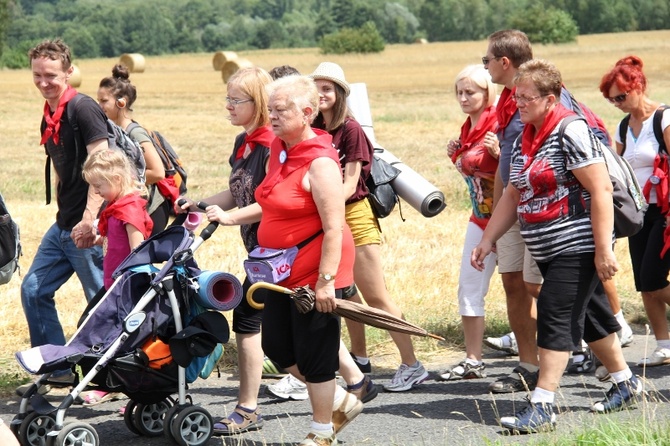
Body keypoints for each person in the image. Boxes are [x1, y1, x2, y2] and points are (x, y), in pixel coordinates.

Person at [472, 59, 641, 434]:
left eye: (527, 98)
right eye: (517, 98)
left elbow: (599, 189)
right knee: (593, 317)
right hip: (548, 246)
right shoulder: (523, 138)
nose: (519, 104)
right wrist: (488, 239)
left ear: (551, 99)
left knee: (554, 311)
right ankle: (626, 382)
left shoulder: (570, 130)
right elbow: (514, 193)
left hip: (577, 244)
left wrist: (603, 250)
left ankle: (543, 404)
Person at [309, 61, 429, 391]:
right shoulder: (315, 128)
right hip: (329, 218)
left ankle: (412, 364)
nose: (321, 93)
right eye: (316, 86)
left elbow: (350, 183)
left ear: (340, 93)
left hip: (353, 216)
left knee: (376, 296)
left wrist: (326, 207)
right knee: (345, 294)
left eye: (327, 87)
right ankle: (359, 359)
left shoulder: (350, 130)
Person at [255, 74, 361, 445]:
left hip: (316, 272)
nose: (272, 116)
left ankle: (321, 432)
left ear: (307, 112)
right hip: (279, 271)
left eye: (280, 110)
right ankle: (338, 400)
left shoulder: (321, 163)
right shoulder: (277, 148)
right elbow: (271, 200)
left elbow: (335, 228)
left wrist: (326, 281)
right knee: (277, 347)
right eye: (271, 109)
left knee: (315, 352)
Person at [178, 66, 276, 434]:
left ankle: (247, 408)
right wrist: (199, 204)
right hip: (259, 250)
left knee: (249, 323)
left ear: (260, 102)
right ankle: (356, 383)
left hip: (277, 251)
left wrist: (230, 217)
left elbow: (272, 201)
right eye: (228, 99)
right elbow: (237, 191)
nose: (229, 106)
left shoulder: (272, 147)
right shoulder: (244, 143)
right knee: (298, 325)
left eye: (236, 100)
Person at [18, 39, 106, 396]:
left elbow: (101, 166)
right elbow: (60, 164)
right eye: (37, 75)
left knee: (102, 301)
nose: (43, 81)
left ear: (69, 72)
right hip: (64, 222)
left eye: (51, 75)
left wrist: (90, 218)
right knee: (34, 290)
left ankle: (108, 376)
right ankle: (57, 370)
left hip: (87, 224)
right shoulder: (49, 109)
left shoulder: (82, 109)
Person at [479, 29, 542, 393]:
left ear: (505, 62)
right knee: (513, 283)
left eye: (486, 59)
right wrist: (495, 221)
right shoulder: (506, 98)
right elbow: (507, 165)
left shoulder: (536, 93)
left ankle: (579, 348)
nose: (484, 65)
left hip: (539, 205)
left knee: (540, 286)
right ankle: (527, 365)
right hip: (512, 205)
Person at [599, 55, 670, 367]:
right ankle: (664, 345)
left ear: (638, 86)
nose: (617, 103)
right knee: (644, 281)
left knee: (654, 277)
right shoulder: (624, 127)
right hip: (640, 213)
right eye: (612, 99)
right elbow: (619, 170)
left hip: (666, 211)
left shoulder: (664, 119)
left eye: (620, 96)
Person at [438, 65, 499, 380]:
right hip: (479, 219)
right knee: (469, 287)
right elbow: (472, 166)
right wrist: (456, 154)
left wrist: (498, 154)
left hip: (509, 221)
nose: (463, 98)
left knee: (530, 288)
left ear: (487, 92)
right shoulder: (467, 129)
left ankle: (571, 344)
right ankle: (473, 359)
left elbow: (500, 165)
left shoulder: (496, 124)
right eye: (459, 92)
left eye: (470, 92)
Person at [97, 64, 169, 236]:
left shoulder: (134, 132)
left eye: (104, 101)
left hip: (149, 210)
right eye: (98, 100)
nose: (99, 106)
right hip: (133, 207)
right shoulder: (114, 131)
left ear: (122, 102)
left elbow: (158, 172)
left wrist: (120, 182)